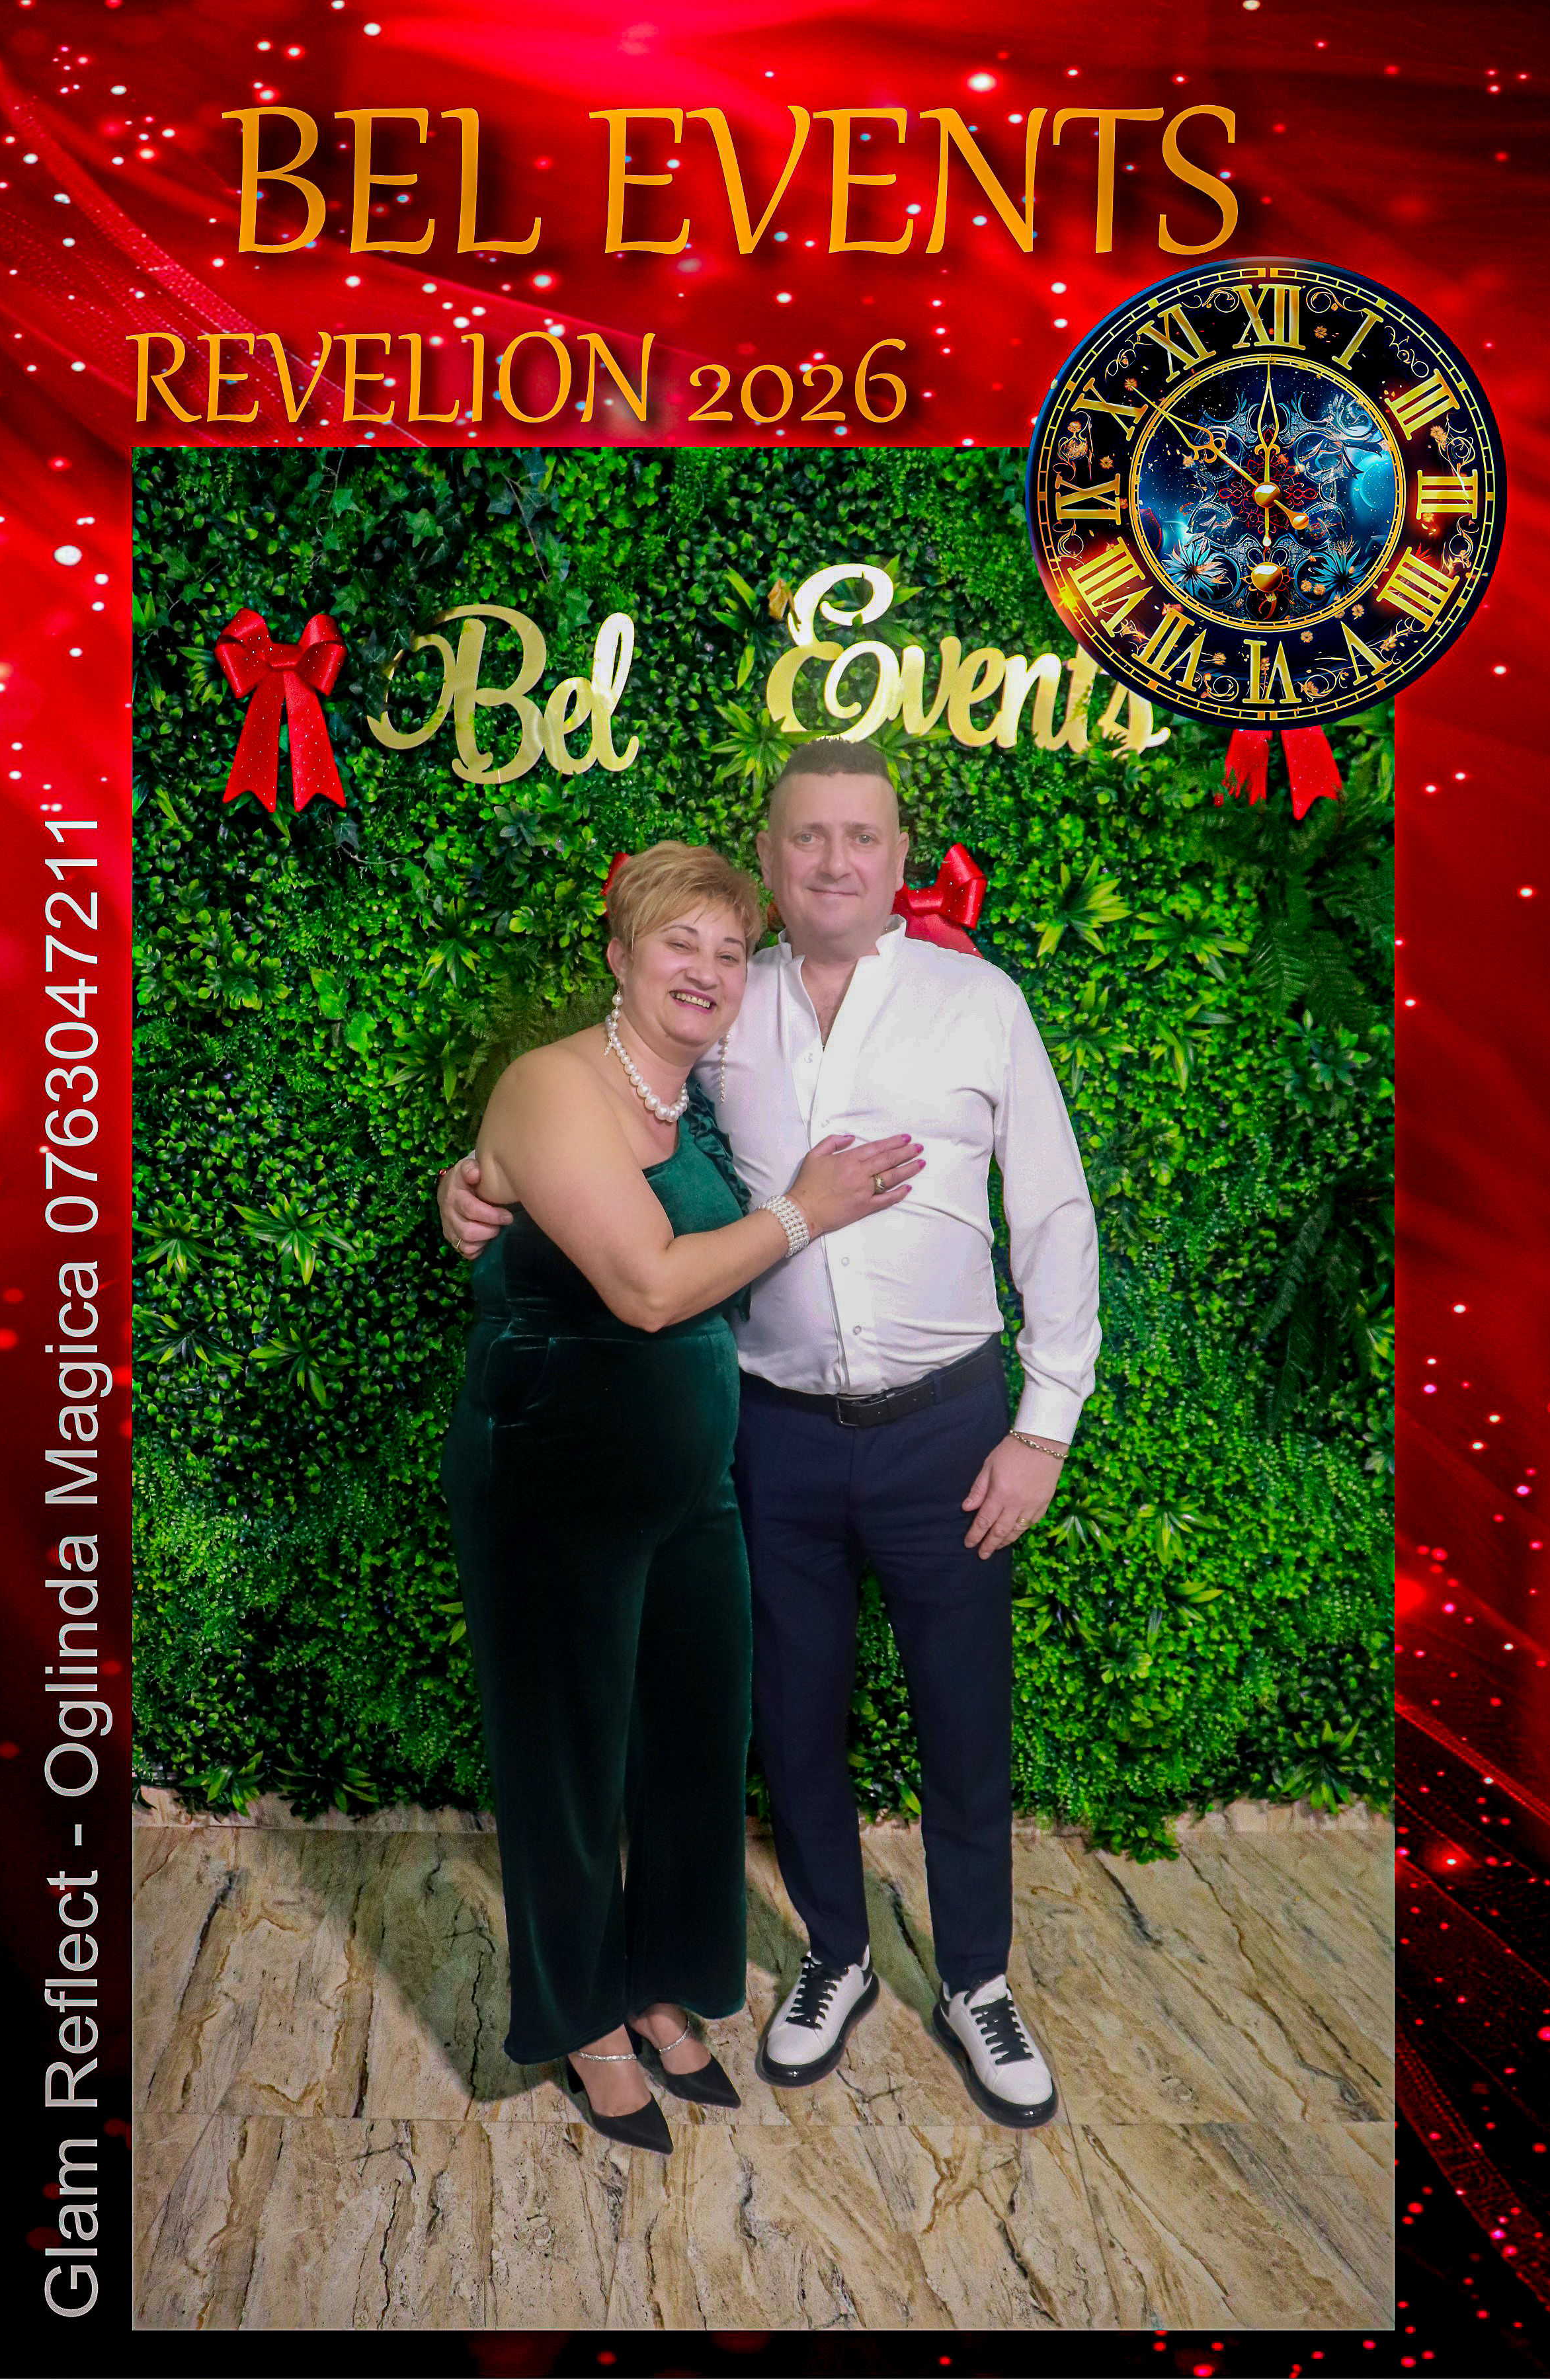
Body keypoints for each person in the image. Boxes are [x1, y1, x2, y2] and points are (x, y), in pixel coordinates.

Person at [441, 745, 1100, 2132]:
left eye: (863, 836)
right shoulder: (727, 1013)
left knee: (963, 1714)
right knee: (789, 1720)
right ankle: (836, 1955)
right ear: (771, 855)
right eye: (808, 837)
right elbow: (599, 1134)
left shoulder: (978, 1006)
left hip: (945, 1424)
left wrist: (1042, 1430)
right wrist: (485, 1185)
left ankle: (976, 1982)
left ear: (902, 857)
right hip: (770, 1433)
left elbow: (1053, 1215)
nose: (836, 861)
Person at [439, 838, 923, 2155]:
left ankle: (662, 1984)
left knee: (696, 1745)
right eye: (678, 943)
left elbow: (531, 1206)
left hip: (689, 1485)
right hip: (553, 1476)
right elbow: (648, 1287)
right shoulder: (555, 1084)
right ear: (620, 956)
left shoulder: (688, 1101)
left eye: (726, 949)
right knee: (568, 1759)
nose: (705, 970)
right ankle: (586, 2019)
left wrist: (470, 1191)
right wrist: (810, 1211)